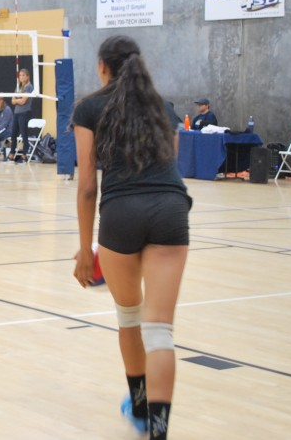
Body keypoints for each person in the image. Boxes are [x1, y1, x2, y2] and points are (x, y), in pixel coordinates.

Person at [71, 35, 190, 440]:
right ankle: (158, 431)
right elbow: (169, 164)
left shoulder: (89, 106)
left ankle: (139, 407)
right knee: (160, 332)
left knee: (130, 317)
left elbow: (87, 185)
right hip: (171, 210)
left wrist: (87, 249)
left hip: (121, 214)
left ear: (103, 66)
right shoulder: (164, 107)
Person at [9, 68, 35, 163]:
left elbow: (23, 101)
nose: (22, 77)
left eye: (24, 75)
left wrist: (17, 100)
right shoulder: (18, 86)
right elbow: (12, 100)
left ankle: (24, 155)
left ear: (28, 76)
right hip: (16, 113)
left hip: (24, 113)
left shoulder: (29, 87)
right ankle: (11, 154)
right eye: (20, 75)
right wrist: (17, 100)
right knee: (13, 134)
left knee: (24, 134)